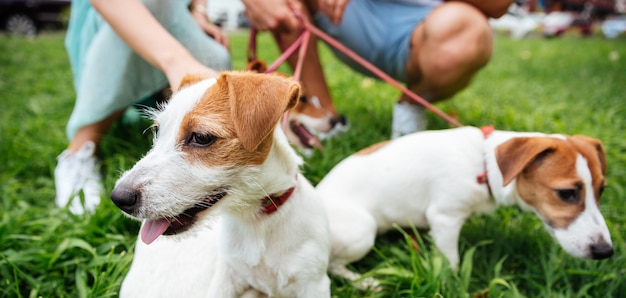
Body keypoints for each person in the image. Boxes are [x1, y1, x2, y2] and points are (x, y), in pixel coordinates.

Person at [55, 0, 231, 215]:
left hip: (178, 16)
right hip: (112, 24)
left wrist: (198, 12)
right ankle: (78, 152)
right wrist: (177, 63)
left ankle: (172, 126)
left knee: (217, 55)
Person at [242, 0, 513, 139]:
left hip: (429, 29)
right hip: (346, 17)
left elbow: (499, 5)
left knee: (470, 30)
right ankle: (324, 118)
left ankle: (410, 109)